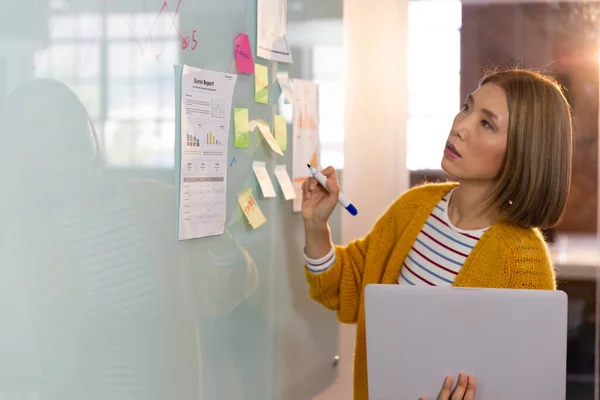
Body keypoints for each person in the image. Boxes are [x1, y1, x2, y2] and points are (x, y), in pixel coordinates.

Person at [301, 68, 572, 400]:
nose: (459, 126)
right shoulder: (413, 207)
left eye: (486, 123)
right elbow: (349, 289)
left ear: (523, 152)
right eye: (467, 107)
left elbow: (528, 386)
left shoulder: (524, 260)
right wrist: (316, 226)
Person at [0, 78, 258, 400]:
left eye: (67, 112)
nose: (62, 130)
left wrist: (218, 238)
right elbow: (22, 363)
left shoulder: (156, 203)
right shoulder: (23, 242)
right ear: (22, 149)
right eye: (40, 124)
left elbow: (221, 295)